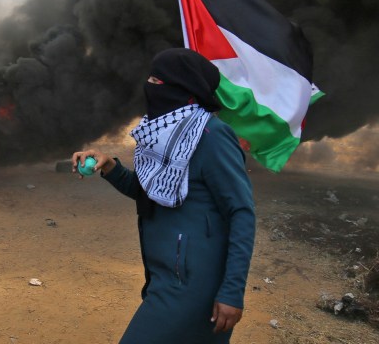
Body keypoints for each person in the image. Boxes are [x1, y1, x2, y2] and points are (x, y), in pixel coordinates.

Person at [72, 48, 255, 343]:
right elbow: (153, 192)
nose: (150, 86)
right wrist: (109, 167)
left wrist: (232, 291)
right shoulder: (163, 134)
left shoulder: (211, 137)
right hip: (164, 275)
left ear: (182, 88)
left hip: (193, 285)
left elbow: (241, 212)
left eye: (157, 81)